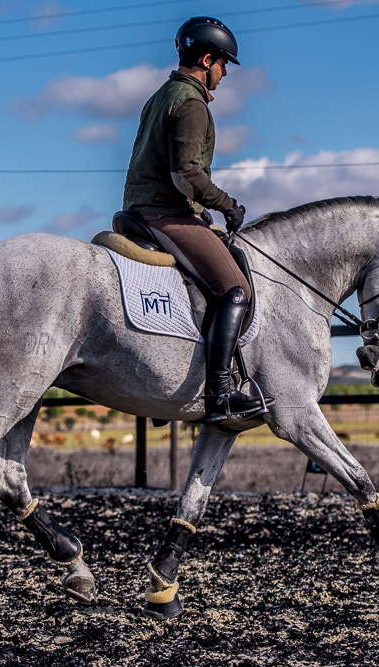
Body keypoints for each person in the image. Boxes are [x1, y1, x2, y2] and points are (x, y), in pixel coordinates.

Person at [123, 16, 267, 424]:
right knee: (236, 290)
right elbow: (186, 175)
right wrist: (227, 205)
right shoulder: (191, 104)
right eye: (223, 64)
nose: (224, 74)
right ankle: (219, 394)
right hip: (164, 212)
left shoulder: (161, 96)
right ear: (206, 59)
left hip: (141, 207)